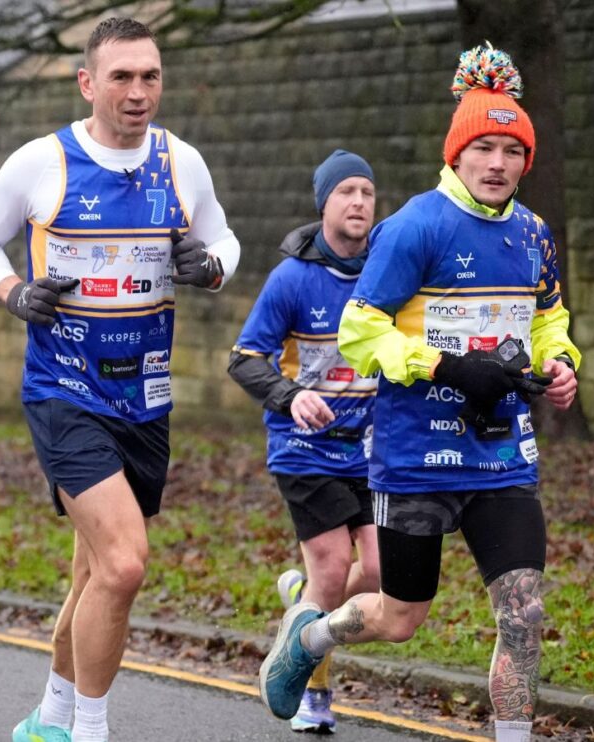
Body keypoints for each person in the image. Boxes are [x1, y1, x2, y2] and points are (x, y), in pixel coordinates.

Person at [258, 44, 580, 742]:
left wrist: (558, 361)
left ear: (527, 161)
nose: (497, 163)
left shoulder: (533, 234)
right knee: (399, 617)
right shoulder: (413, 227)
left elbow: (547, 316)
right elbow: (358, 331)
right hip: (415, 458)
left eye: (512, 151)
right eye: (483, 148)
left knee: (523, 615)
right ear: (456, 154)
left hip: (500, 455)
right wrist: (446, 367)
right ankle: (310, 639)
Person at [0, 17, 239, 742]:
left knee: (93, 574)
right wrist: (12, 291)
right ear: (88, 83)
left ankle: (49, 717)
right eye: (121, 77)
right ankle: (90, 729)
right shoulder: (42, 162)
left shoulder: (183, 163)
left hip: (146, 395)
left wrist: (210, 267)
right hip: (64, 391)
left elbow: (224, 238)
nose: (138, 91)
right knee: (124, 564)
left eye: (150, 76)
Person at [228, 149, 381, 734]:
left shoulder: (387, 273)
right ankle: (314, 692)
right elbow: (244, 359)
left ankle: (302, 600)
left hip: (370, 449)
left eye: (367, 193)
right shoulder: (291, 279)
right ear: (324, 204)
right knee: (334, 565)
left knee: (382, 573)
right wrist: (290, 396)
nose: (359, 203)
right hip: (305, 446)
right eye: (346, 192)